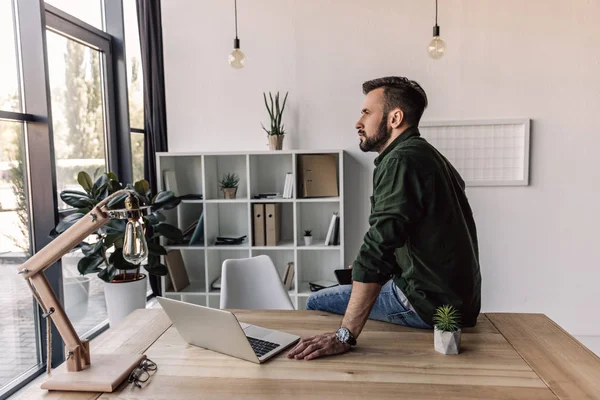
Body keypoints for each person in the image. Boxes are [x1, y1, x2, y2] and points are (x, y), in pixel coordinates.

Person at [287, 76, 481, 361]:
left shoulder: (401, 160)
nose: (358, 122)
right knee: (355, 280)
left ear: (395, 118)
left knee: (316, 300)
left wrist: (345, 336)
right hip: (457, 303)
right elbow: (407, 234)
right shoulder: (428, 156)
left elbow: (378, 246)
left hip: (425, 304)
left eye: (366, 112)